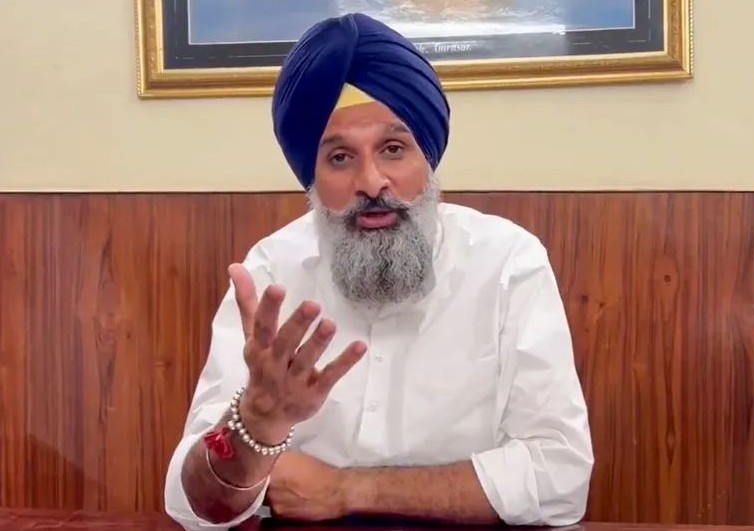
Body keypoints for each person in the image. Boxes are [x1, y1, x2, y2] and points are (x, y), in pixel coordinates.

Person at [164, 12, 593, 531]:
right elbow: (193, 507)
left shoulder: (507, 262)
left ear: (427, 157)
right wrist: (253, 426)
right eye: (340, 158)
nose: (371, 182)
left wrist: (348, 490)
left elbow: (561, 479)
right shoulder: (272, 271)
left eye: (393, 149)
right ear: (312, 178)